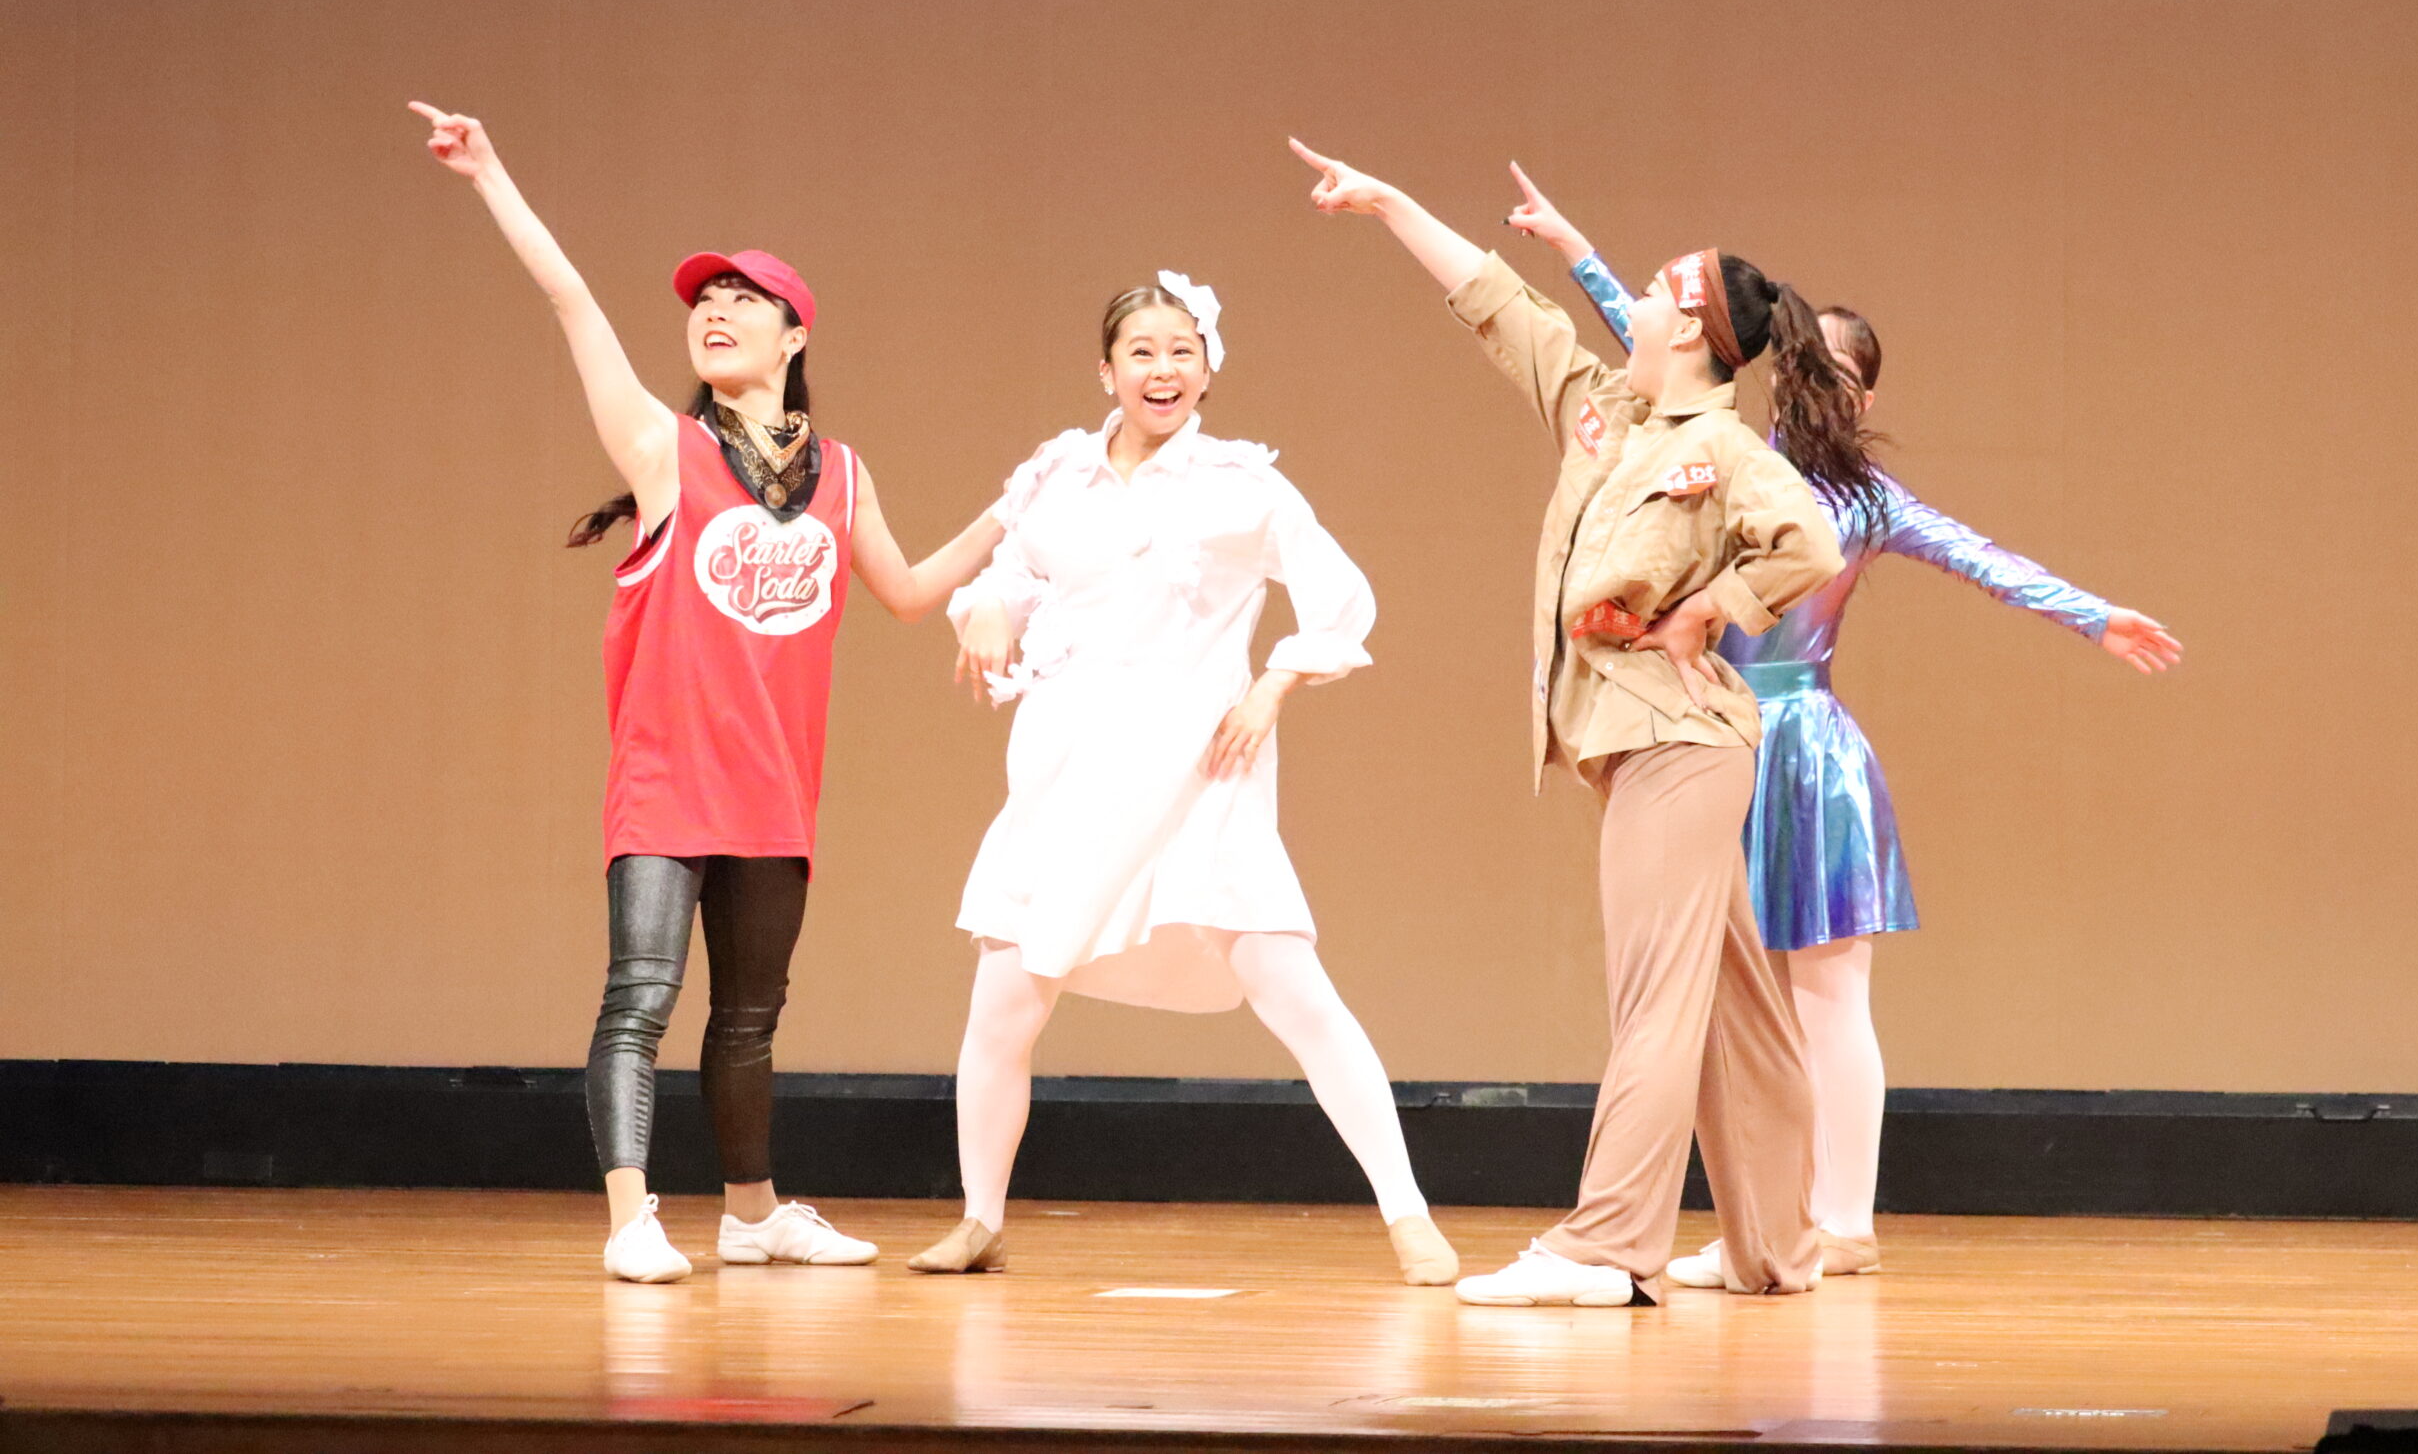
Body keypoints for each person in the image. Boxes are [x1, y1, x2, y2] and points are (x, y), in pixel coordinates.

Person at [1504, 164, 2183, 1279]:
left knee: (1823, 993)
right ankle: (1768, 1224)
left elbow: (1982, 558)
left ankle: (1843, 1217)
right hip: (1711, 733)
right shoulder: (1728, 455)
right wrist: (1571, 245)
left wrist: (2092, 614)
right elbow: (1649, 330)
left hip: (1802, 754)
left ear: (1854, 395)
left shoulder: (1855, 499)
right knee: (1741, 1002)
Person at [410, 102, 1004, 1284]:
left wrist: (1023, 501)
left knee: (748, 1020)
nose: (715, 311)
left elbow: (907, 592)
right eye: (703, 301)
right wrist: (489, 175)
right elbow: (572, 300)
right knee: (639, 1000)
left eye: (743, 298)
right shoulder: (662, 451)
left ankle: (752, 1214)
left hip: (773, 792)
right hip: (667, 782)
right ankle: (631, 1219)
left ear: (794, 334)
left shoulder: (842, 474)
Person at [1293, 138, 1858, 1307]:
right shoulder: (1607, 415)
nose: (1629, 303)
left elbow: (1807, 539)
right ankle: (1774, 1248)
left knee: (1654, 1000)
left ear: (1689, 328)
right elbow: (1503, 307)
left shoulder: (1719, 448)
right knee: (1739, 1003)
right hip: (1642, 744)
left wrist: (1713, 607)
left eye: (1648, 291)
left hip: (1678, 747)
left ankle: (1607, 1248)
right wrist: (1393, 202)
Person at [918, 272, 1460, 1288]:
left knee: (1292, 987)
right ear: (1106, 371)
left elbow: (1340, 597)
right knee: (1003, 1002)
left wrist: (1273, 687)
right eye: (1142, 351)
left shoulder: (1240, 486)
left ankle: (1408, 1214)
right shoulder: (1058, 474)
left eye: (1181, 351)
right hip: (1067, 765)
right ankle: (979, 1217)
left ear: (1208, 370)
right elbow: (1018, 571)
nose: (1161, 369)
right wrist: (987, 606)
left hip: (1200, 767)